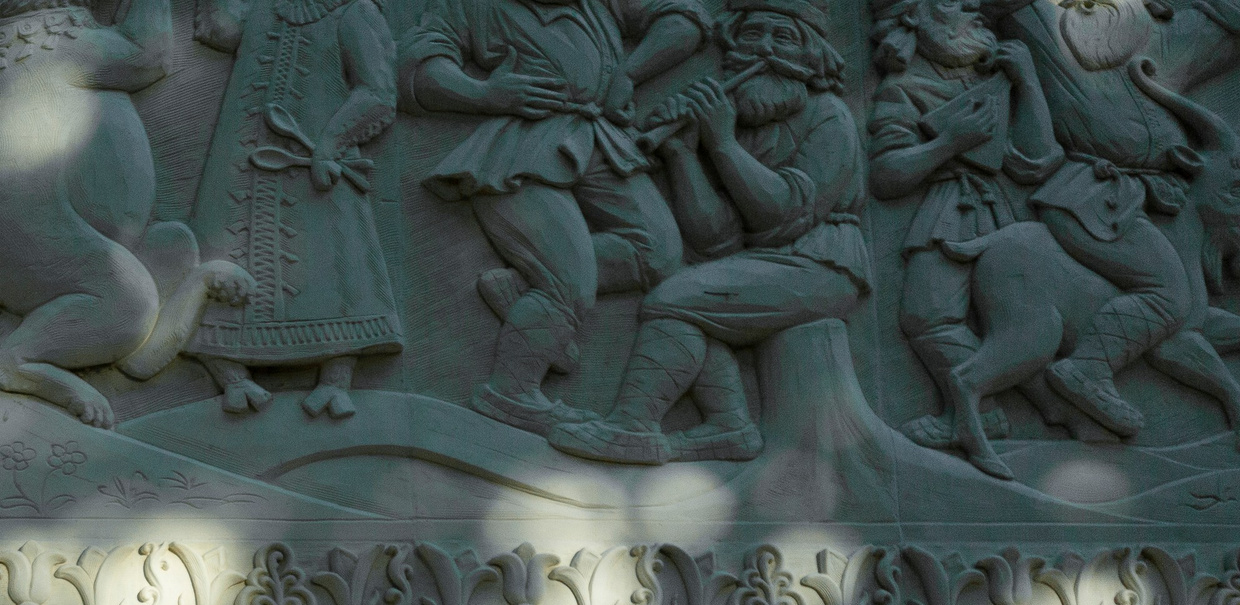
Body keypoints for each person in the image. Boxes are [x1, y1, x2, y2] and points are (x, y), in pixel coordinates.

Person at [549, 0, 870, 464]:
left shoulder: (829, 116)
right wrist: (681, 153)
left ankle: (631, 426)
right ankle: (729, 426)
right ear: (733, 48)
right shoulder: (737, 119)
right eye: (752, 35)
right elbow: (715, 241)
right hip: (767, 263)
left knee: (676, 297)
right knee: (685, 290)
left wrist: (720, 144)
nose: (764, 49)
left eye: (782, 39)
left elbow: (783, 214)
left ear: (811, 56)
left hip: (822, 266)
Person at [405, 0, 705, 433]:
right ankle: (511, 391)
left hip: (597, 140)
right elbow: (420, 69)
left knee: (657, 253)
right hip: (519, 150)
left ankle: (527, 288)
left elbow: (684, 20)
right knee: (571, 282)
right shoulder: (470, 6)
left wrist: (629, 74)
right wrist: (485, 94)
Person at [976, 0, 1240, 438]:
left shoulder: (1135, 66)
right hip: (1085, 202)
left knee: (1181, 302)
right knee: (1170, 294)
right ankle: (1086, 370)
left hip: (1117, 205)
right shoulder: (1051, 40)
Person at [184, 0, 403, 419]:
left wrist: (330, 145)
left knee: (334, 267)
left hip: (315, 165)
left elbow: (377, 92)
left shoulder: (354, 12)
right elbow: (221, 30)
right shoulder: (265, 9)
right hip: (244, 164)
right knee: (225, 257)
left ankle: (335, 382)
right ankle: (233, 378)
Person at [866, 0, 1059, 449]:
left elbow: (1039, 159)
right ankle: (993, 412)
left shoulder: (996, 80)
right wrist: (950, 143)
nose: (974, 8)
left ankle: (1032, 406)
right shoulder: (905, 88)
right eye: (953, 1)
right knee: (928, 317)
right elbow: (887, 174)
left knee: (1007, 320)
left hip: (1007, 215)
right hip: (951, 211)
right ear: (913, 16)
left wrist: (1028, 82)